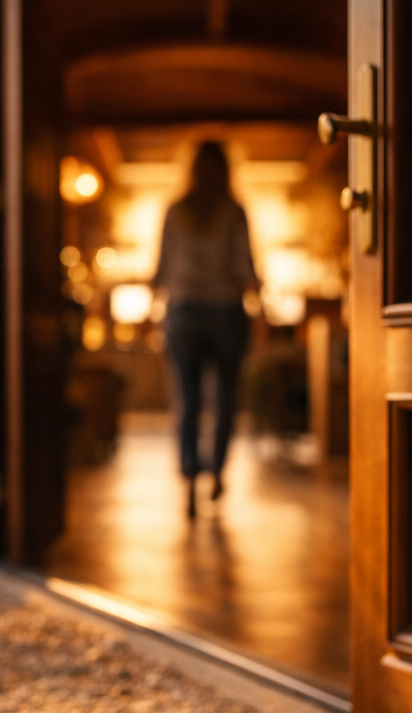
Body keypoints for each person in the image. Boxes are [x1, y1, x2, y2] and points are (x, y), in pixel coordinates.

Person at [152, 140, 259, 519]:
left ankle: (188, 482)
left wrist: (154, 311)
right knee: (225, 398)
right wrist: (260, 306)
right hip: (226, 311)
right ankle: (216, 474)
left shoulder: (175, 211)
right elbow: (246, 265)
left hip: (183, 312)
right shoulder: (234, 211)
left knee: (188, 400)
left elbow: (161, 268)